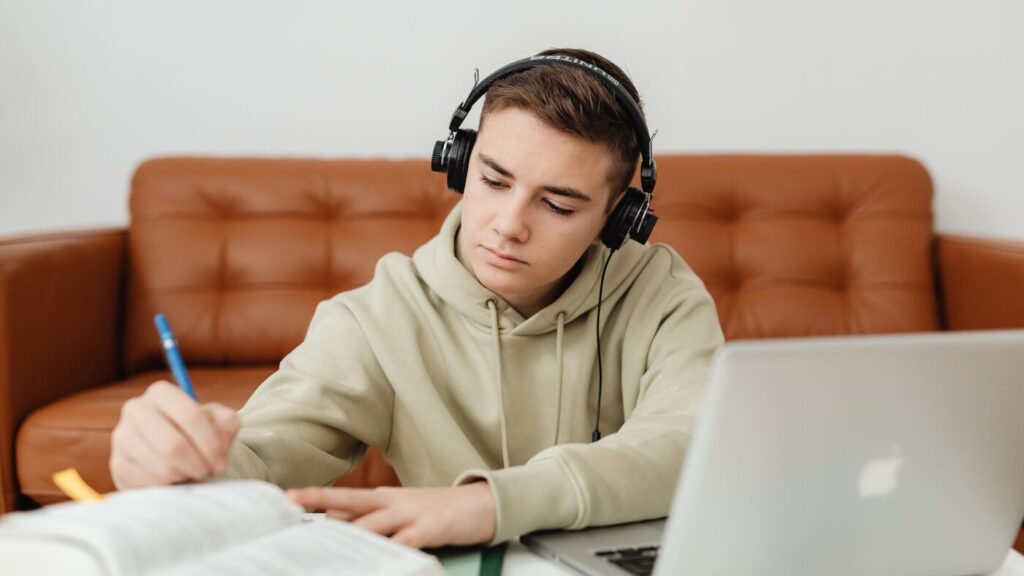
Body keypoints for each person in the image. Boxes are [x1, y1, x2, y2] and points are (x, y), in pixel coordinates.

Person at [109, 47, 724, 549]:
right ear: (458, 164)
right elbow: (260, 456)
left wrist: (490, 504)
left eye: (558, 204)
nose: (508, 224)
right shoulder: (378, 316)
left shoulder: (664, 295)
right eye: (492, 179)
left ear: (619, 216)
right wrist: (177, 466)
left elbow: (691, 442)